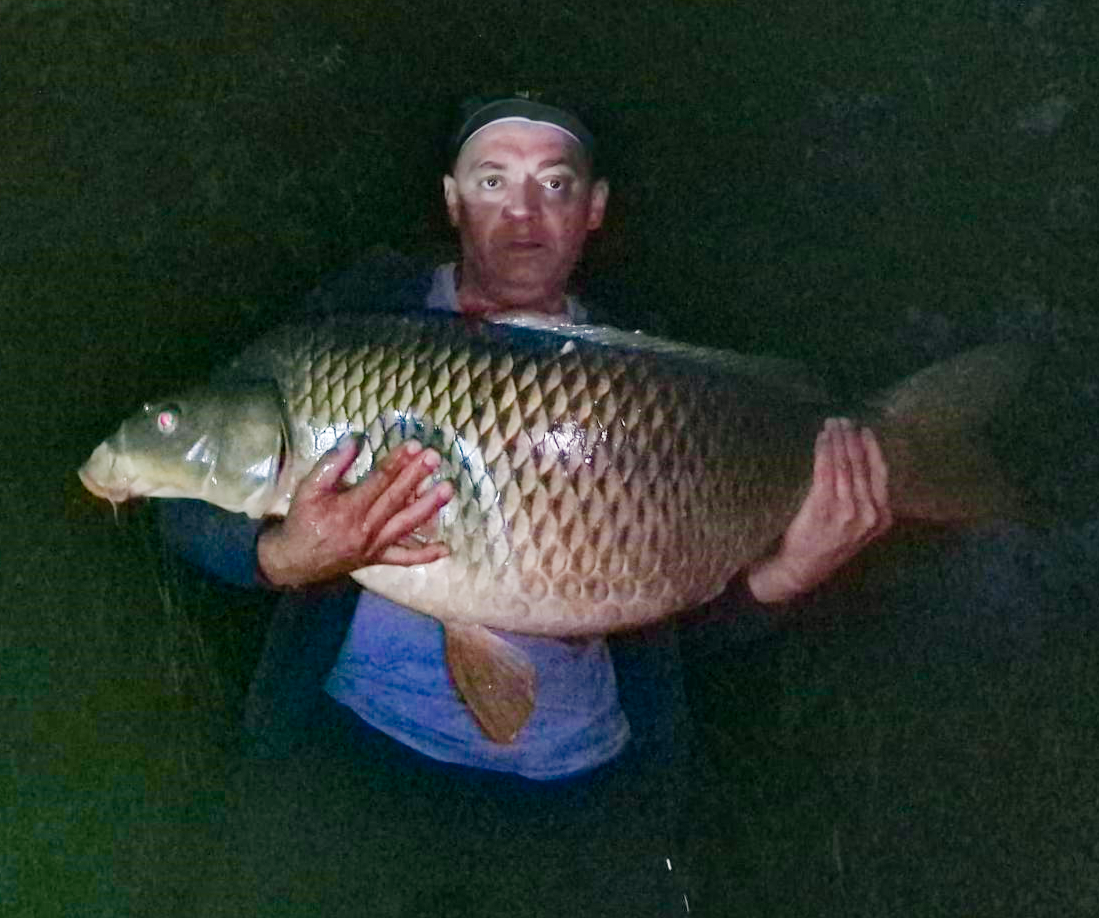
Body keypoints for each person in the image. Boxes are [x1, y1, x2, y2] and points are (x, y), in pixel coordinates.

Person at [163, 96, 892, 916]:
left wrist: (784, 577)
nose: (521, 212)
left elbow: (674, 613)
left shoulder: (652, 377)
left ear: (594, 208)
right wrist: (281, 557)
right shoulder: (347, 326)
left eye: (553, 183)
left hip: (583, 793)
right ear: (451, 198)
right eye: (492, 180)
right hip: (350, 756)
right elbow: (184, 500)